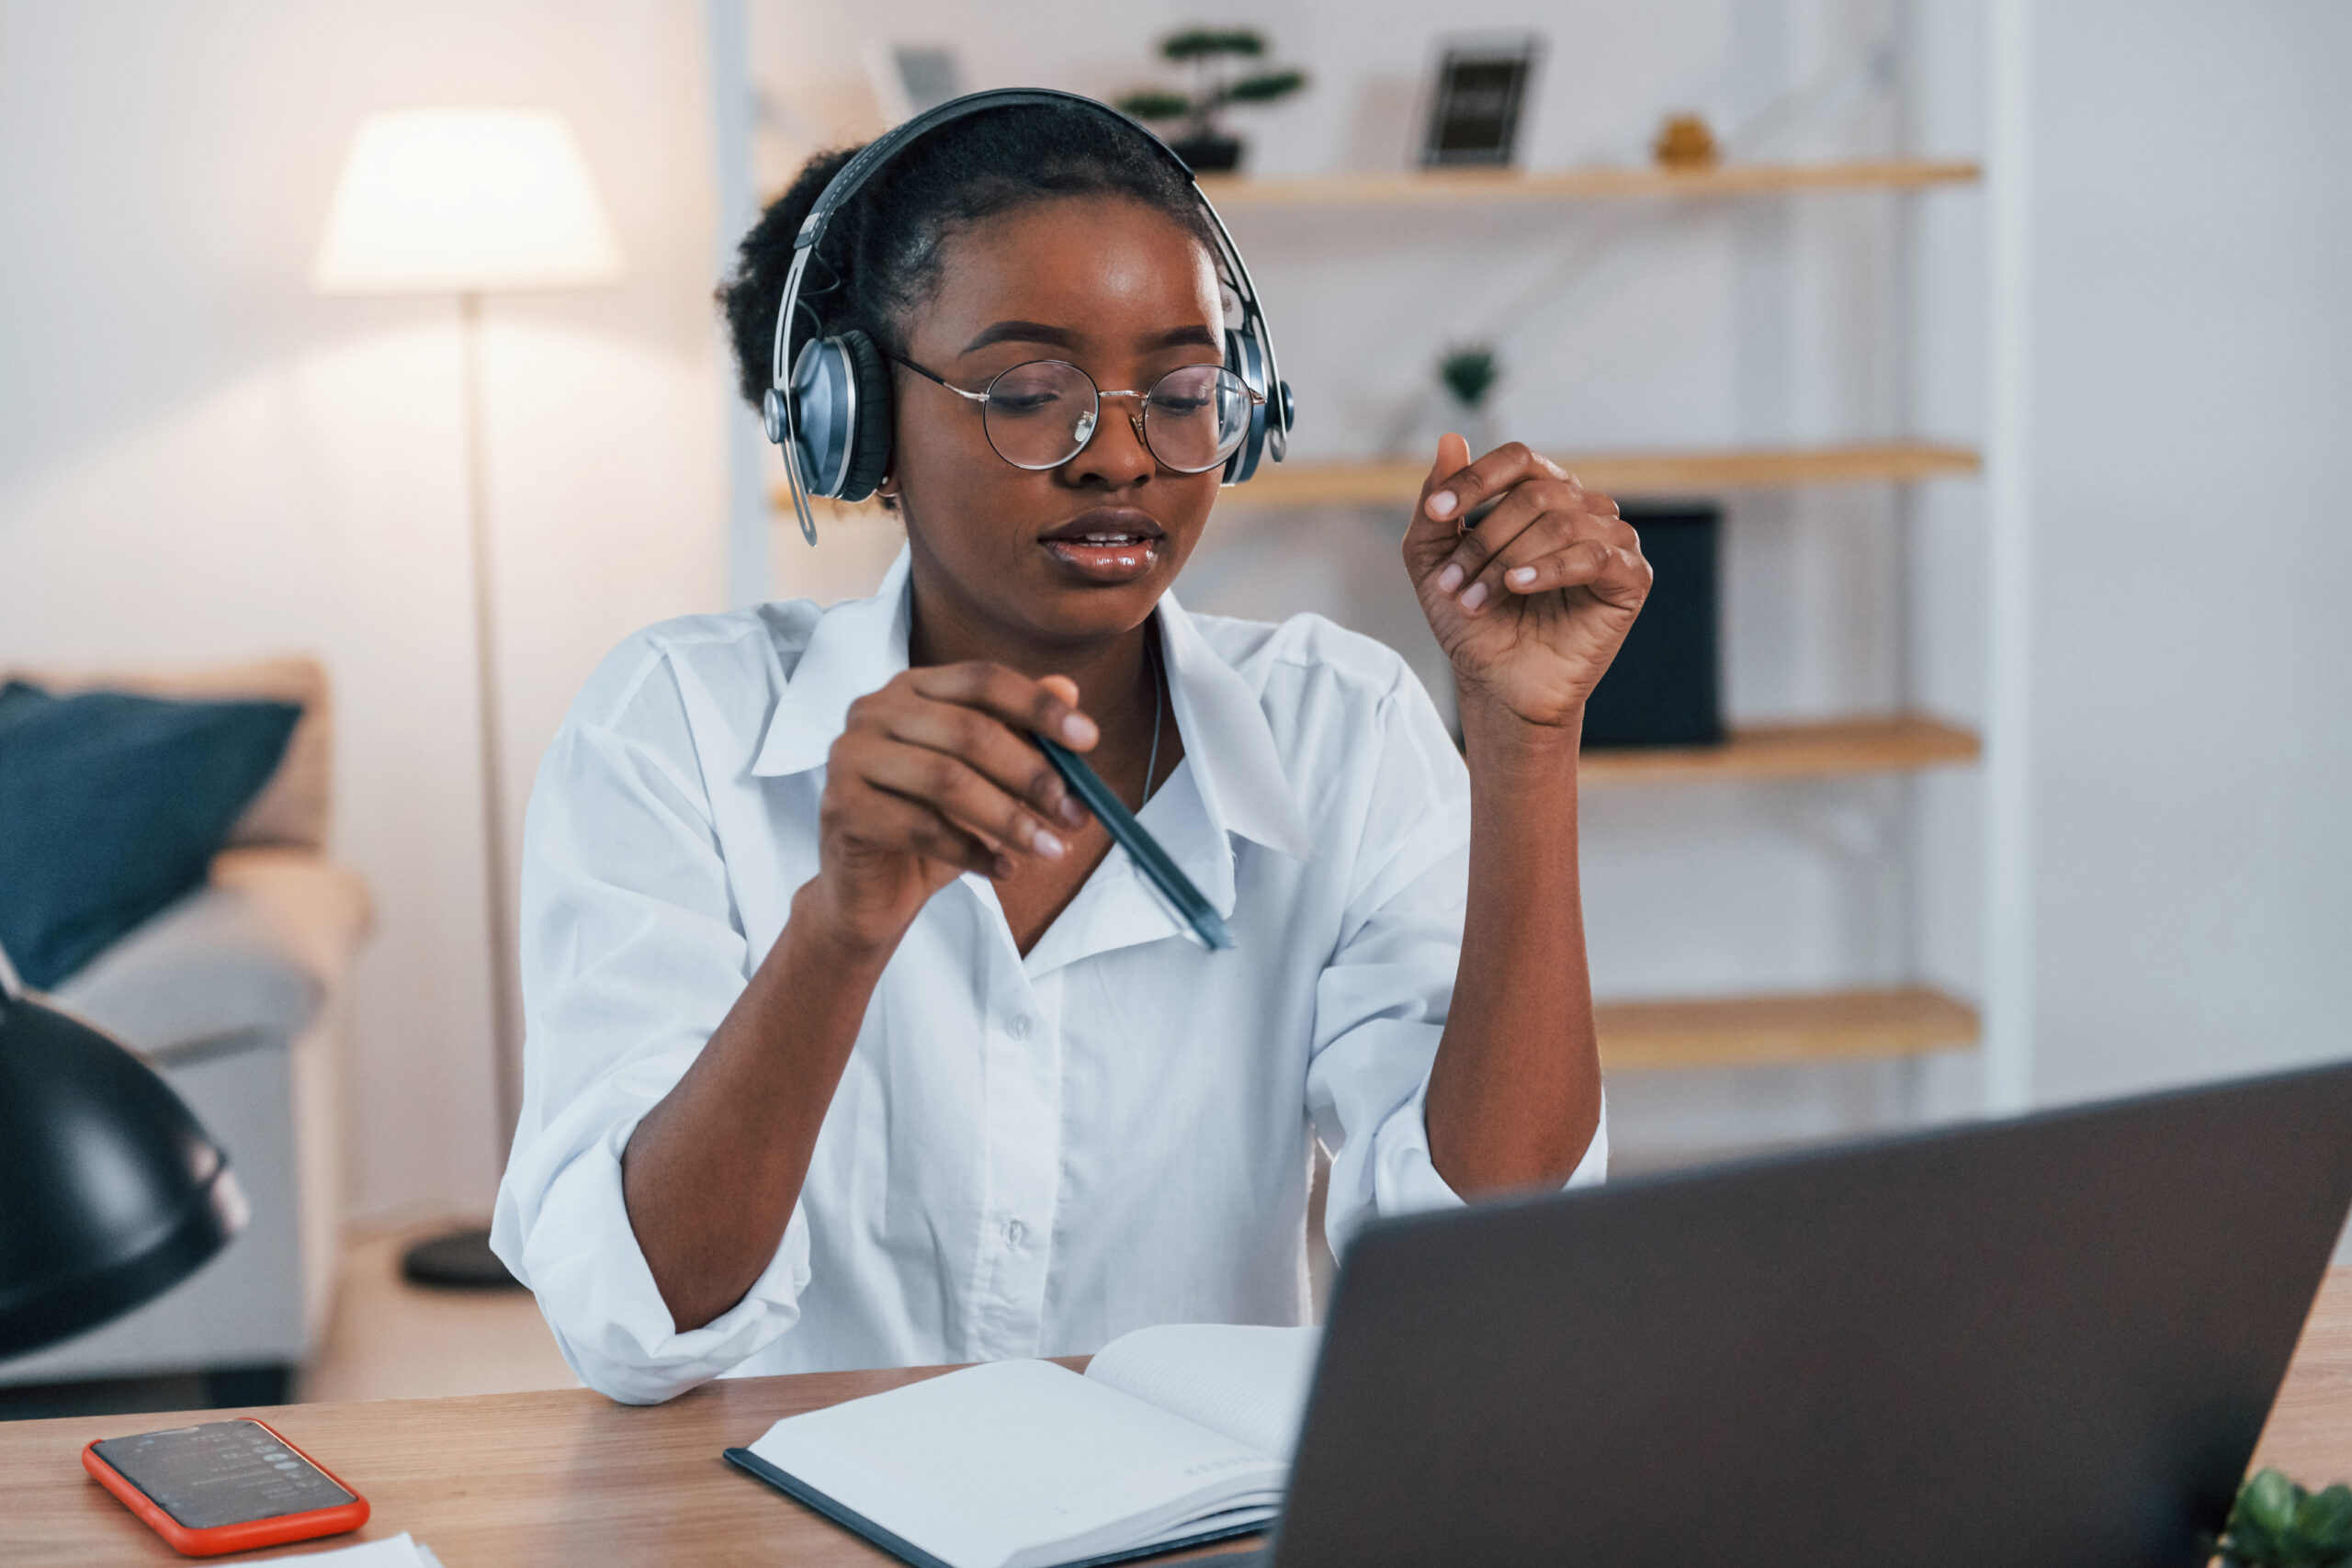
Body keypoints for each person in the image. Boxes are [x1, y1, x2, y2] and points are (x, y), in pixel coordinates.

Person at [490, 97, 1650, 1404]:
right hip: (781, 1530)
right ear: (854, 419)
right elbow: (633, 1325)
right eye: (1029, 394)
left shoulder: (1348, 729)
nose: (1119, 456)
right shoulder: (678, 728)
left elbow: (1483, 1265)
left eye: (1182, 394)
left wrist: (1525, 738)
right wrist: (838, 934)